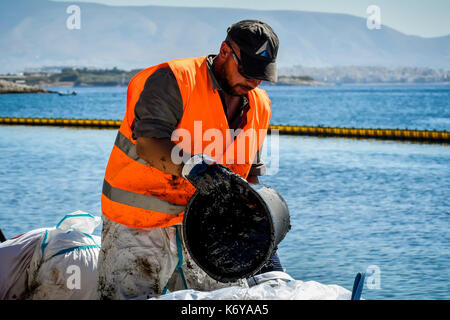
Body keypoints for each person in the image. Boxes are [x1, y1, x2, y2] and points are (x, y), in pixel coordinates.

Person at [97, 19, 282, 300]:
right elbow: (148, 144)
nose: (253, 82)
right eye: (247, 71)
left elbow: (249, 175)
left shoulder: (260, 105)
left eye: (261, 75)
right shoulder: (174, 79)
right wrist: (194, 167)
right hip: (138, 223)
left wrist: (260, 240)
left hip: (206, 228)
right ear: (224, 51)